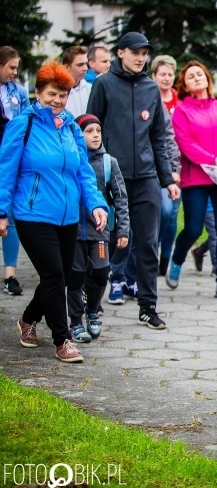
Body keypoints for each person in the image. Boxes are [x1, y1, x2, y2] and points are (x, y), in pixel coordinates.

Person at [0, 61, 108, 363]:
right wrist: (1, 211)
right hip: (32, 214)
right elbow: (5, 170)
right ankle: (63, 339)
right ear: (38, 92)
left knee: (57, 278)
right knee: (54, 275)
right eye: (52, 93)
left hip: (67, 216)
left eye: (63, 94)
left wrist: (96, 204)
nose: (57, 100)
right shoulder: (24, 124)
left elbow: (83, 171)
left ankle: (28, 319)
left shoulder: (71, 127)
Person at [87, 31, 180, 329]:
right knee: (107, 242)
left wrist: (167, 180)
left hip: (146, 177)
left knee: (148, 243)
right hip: (112, 178)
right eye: (135, 52)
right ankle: (92, 306)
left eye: (144, 53)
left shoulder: (151, 89)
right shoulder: (103, 84)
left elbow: (158, 139)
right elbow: (91, 130)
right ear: (120, 53)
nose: (141, 58)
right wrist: (95, 173)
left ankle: (148, 306)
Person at [165, 60, 217, 300]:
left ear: (208, 78)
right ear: (185, 85)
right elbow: (185, 143)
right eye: (191, 76)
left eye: (200, 74)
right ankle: (177, 260)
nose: (197, 78)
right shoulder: (182, 111)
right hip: (195, 178)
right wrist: (212, 160)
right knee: (194, 228)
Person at [67, 114, 129, 342]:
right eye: (89, 131)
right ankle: (75, 321)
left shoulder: (108, 162)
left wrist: (122, 230)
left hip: (100, 231)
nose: (95, 135)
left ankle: (92, 310)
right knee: (74, 276)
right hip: (73, 230)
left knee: (102, 272)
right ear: (78, 134)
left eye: (98, 131)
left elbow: (121, 198)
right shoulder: (70, 159)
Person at [0, 46, 30, 297]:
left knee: (8, 215)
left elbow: (27, 121)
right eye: (10, 67)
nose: (14, 72)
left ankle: (10, 274)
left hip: (11, 159)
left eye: (16, 67)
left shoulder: (19, 92)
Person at [151, 54, 182, 276]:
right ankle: (152, 252)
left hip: (177, 163)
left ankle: (165, 259)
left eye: (170, 74)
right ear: (154, 76)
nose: (167, 78)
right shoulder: (149, 99)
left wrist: (175, 169)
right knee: (162, 211)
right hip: (153, 165)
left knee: (172, 216)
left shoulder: (179, 102)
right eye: (162, 74)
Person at [62, 46, 91, 117]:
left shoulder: (90, 89)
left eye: (86, 64)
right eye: (80, 65)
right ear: (66, 67)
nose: (85, 68)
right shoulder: (57, 91)